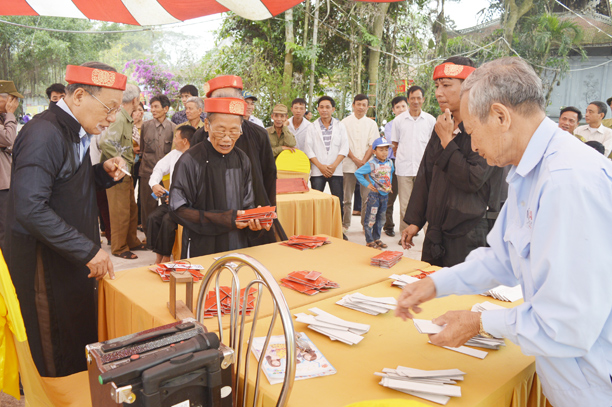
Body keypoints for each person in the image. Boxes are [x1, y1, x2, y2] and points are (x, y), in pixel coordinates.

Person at [395, 57, 612, 407]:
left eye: (471, 130)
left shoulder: (568, 181)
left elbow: (565, 323)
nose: (471, 142)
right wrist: (437, 284)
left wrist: (481, 323)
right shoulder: (528, 171)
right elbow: (501, 258)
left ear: (500, 116)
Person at [4, 62, 127, 377]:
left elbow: (67, 187)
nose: (113, 118)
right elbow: (30, 207)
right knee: (54, 350)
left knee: (76, 340)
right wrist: (87, 250)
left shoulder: (74, 130)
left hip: (70, 257)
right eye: (109, 108)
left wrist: (101, 174)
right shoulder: (44, 132)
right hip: (45, 265)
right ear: (80, 95)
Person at [400, 56, 505, 267]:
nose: (439, 93)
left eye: (447, 85)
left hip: (471, 232)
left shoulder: (488, 126)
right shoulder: (443, 124)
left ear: (470, 88)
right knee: (432, 289)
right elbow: (426, 175)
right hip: (437, 230)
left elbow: (473, 178)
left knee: (462, 296)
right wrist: (415, 221)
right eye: (437, 86)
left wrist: (448, 141)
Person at [169, 98, 270, 257]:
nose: (227, 139)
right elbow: (178, 209)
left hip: (236, 243)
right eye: (221, 130)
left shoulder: (242, 159)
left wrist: (253, 220)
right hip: (201, 245)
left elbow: (247, 203)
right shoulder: (190, 160)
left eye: (234, 131)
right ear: (207, 125)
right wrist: (225, 219)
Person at [193, 75, 285, 245]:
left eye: (229, 100)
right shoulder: (200, 136)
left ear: (240, 102)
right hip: (213, 214)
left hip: (252, 214)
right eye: (219, 101)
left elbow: (269, 175)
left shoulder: (258, 134)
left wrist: (267, 211)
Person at [100, 84, 145, 259]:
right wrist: (120, 161)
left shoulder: (126, 117)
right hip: (116, 172)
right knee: (120, 212)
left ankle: (132, 240)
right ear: (135, 100)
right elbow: (106, 143)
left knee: (130, 209)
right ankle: (119, 248)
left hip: (125, 172)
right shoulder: (119, 117)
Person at [391, 85, 436, 239]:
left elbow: (433, 145)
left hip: (424, 169)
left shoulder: (430, 120)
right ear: (408, 99)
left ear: (423, 99)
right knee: (405, 205)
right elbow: (395, 145)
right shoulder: (399, 120)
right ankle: (405, 235)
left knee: (428, 203)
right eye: (412, 98)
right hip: (404, 169)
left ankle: (429, 236)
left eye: (419, 98)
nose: (416, 101)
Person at [147, 125, 195, 263]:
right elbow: (158, 168)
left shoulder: (196, 158)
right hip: (171, 201)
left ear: (185, 141)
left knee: (168, 220)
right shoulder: (174, 154)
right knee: (153, 218)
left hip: (187, 205)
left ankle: (166, 258)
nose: (173, 141)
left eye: (176, 137)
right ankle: (158, 258)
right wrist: (154, 184)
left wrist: (178, 199)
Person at [304, 96, 349, 227]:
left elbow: (344, 147)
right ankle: (315, 228)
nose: (324, 110)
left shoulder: (340, 126)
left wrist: (334, 166)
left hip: (336, 170)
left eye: (327, 107)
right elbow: (308, 148)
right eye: (321, 107)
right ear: (318, 109)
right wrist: (321, 167)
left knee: (338, 201)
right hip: (318, 170)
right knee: (315, 201)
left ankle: (338, 229)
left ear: (333, 109)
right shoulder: (312, 127)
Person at [341, 94, 379, 232]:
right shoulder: (344, 123)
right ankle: (345, 224)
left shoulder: (371, 124)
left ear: (367, 107)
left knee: (367, 197)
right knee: (346, 198)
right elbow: (343, 144)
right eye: (358, 104)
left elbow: (373, 145)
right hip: (348, 164)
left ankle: (365, 224)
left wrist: (363, 161)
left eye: (364, 105)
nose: (361, 107)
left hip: (367, 166)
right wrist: (356, 160)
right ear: (353, 105)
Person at [140, 94, 176, 235]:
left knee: (167, 204)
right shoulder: (145, 126)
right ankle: (149, 235)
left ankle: (163, 233)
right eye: (152, 107)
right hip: (147, 172)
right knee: (148, 206)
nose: (153, 110)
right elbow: (142, 149)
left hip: (166, 176)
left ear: (165, 108)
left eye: (156, 107)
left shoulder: (174, 128)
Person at [355, 137, 394, 249]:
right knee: (371, 218)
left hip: (385, 196)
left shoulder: (390, 162)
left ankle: (377, 238)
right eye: (381, 150)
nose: (384, 152)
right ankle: (369, 240)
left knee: (381, 218)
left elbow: (390, 174)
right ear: (374, 151)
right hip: (374, 196)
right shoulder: (371, 164)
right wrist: (368, 185)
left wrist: (389, 185)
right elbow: (358, 173)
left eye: (386, 150)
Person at [0, 81, 22, 248]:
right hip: (1, 185)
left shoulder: (3, 119)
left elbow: (13, 145)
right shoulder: (7, 117)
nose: (15, 104)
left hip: (7, 181)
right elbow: (8, 139)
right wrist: (10, 114)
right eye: (12, 99)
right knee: (4, 230)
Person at [382, 96, 408, 237]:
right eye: (397, 107)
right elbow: (393, 143)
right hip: (393, 163)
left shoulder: (412, 123)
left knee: (408, 199)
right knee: (390, 197)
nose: (401, 109)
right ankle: (388, 225)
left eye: (403, 106)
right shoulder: (390, 125)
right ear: (393, 110)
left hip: (410, 164)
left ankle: (408, 227)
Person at [132, 103, 145, 229]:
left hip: (144, 162)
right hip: (133, 163)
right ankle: (132, 219)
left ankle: (140, 220)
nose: (138, 113)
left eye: (140, 110)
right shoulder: (128, 126)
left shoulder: (147, 126)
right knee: (131, 190)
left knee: (143, 193)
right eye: (135, 110)